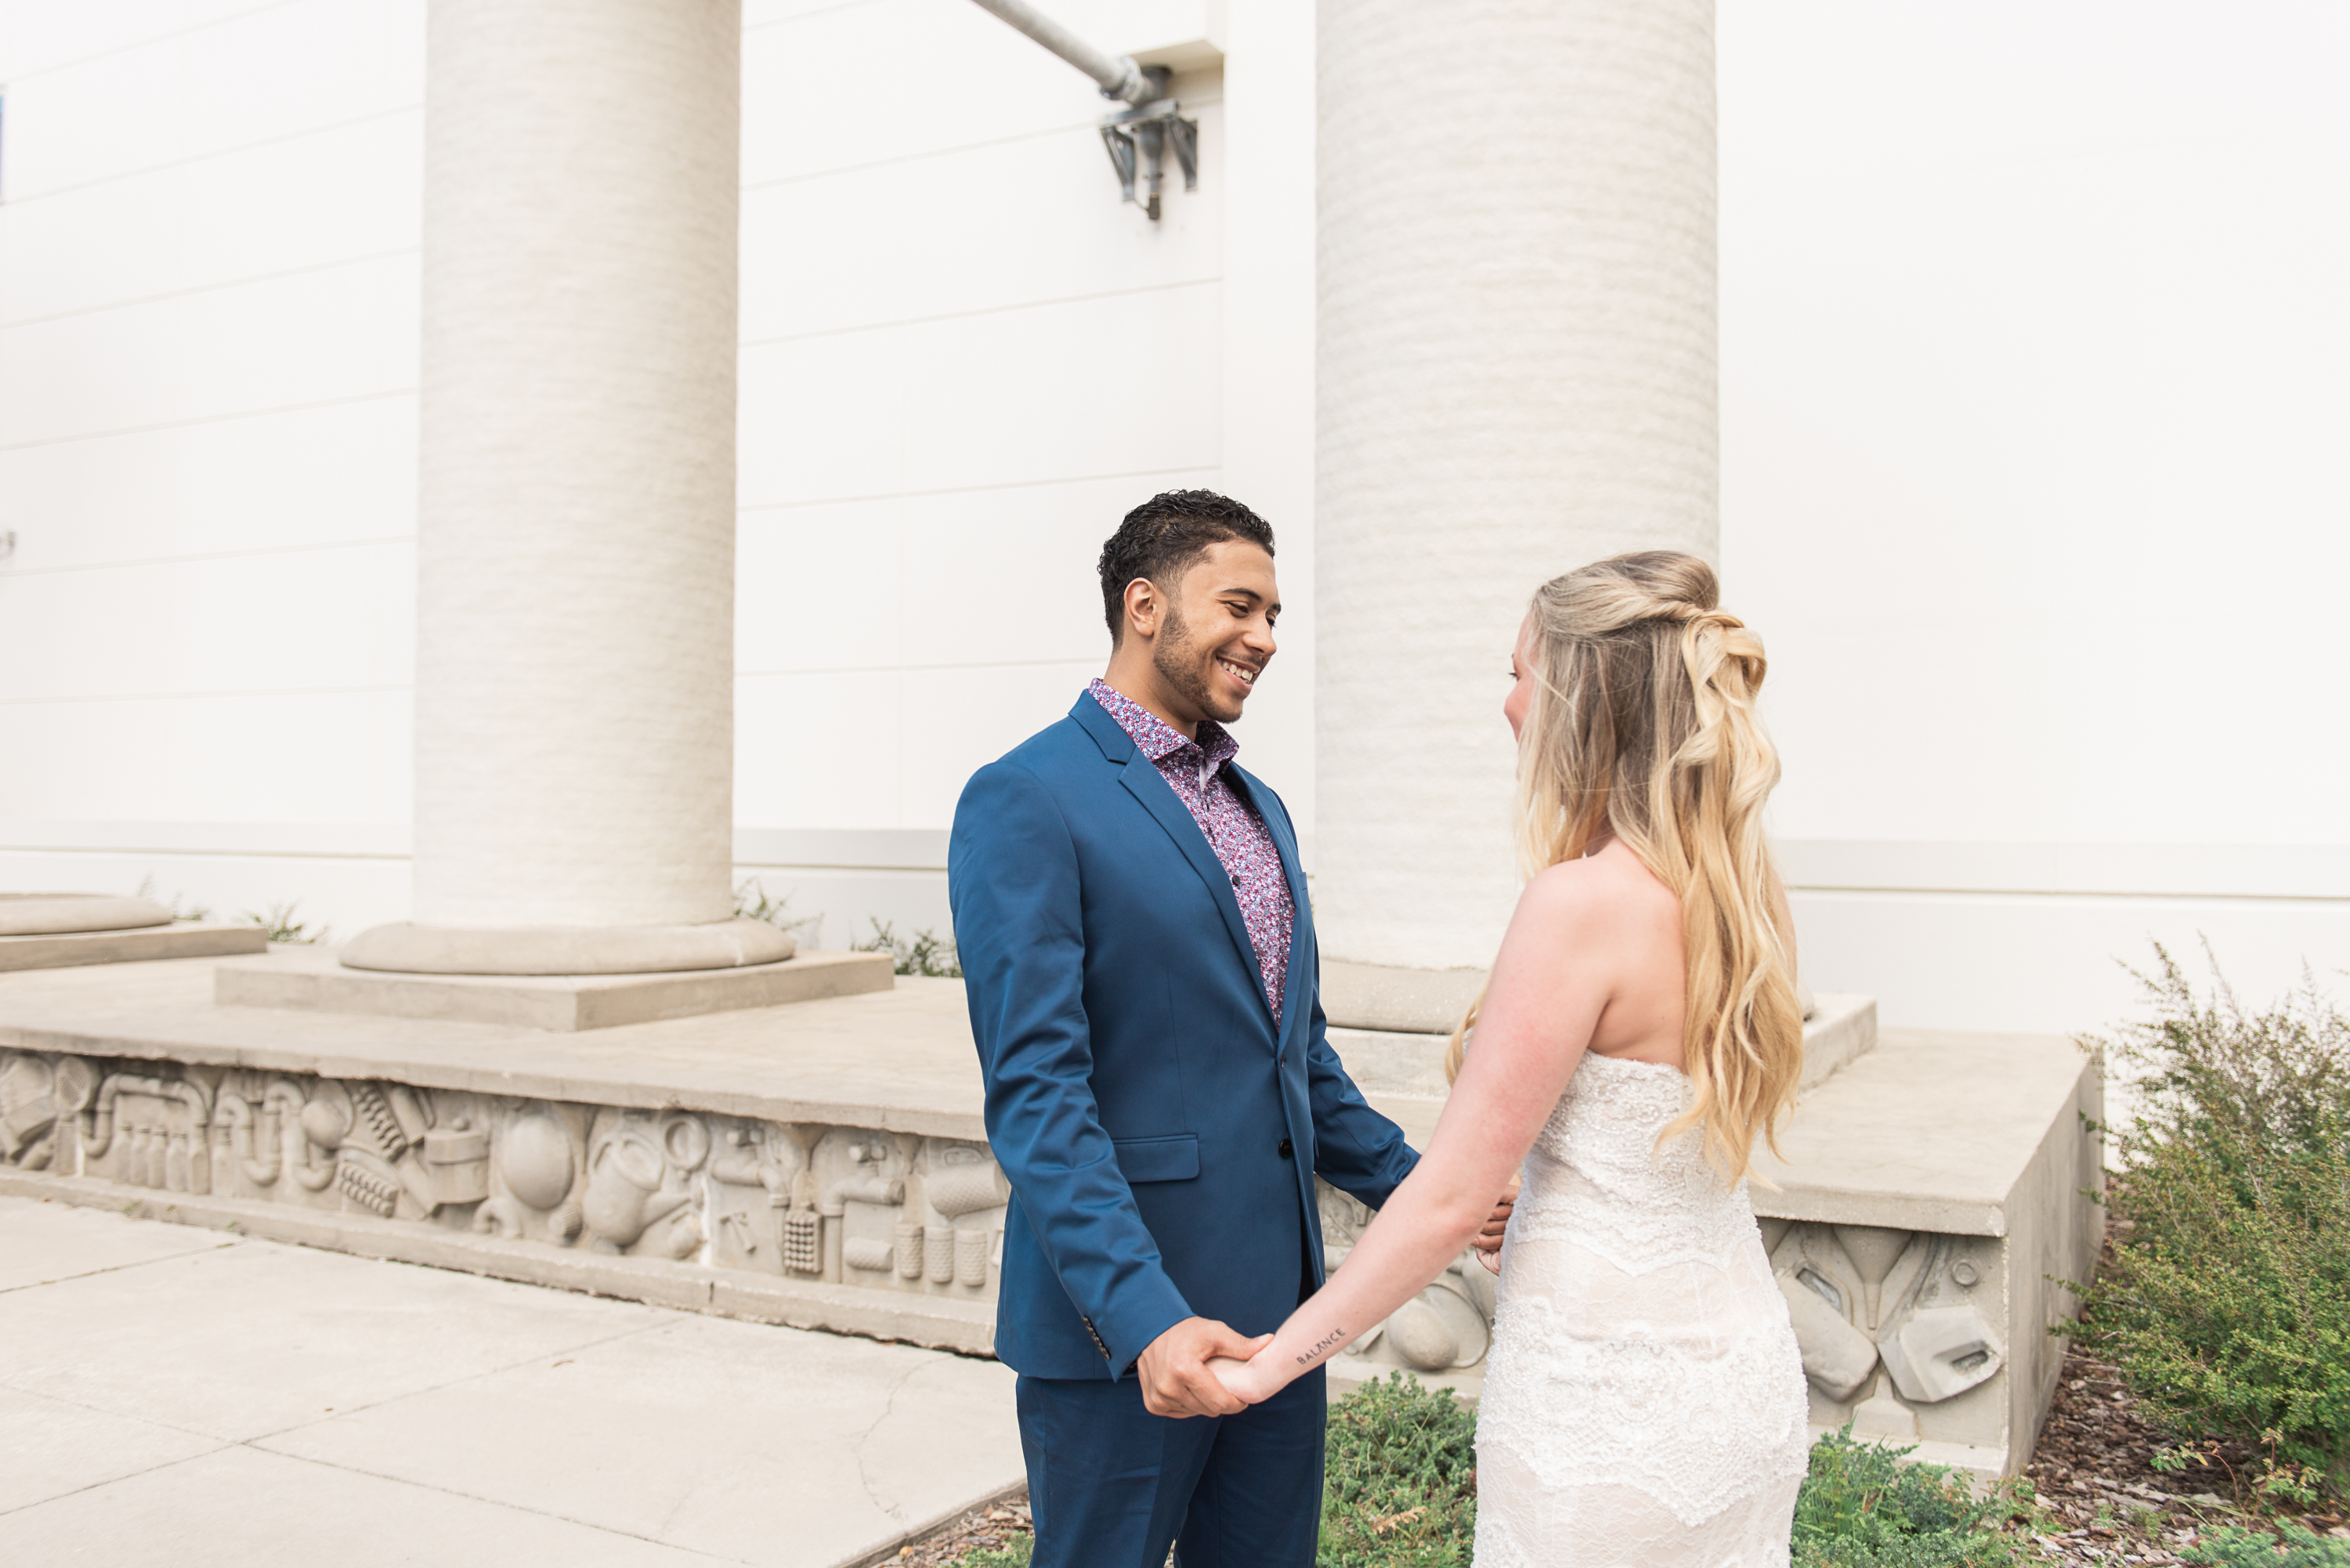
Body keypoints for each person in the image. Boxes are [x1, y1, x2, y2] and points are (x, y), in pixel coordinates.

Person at [1211, 550, 1813, 1566]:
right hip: (1741, 1379)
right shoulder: (1742, 898)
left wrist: (1272, 1365)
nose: (1506, 703)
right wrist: (1537, 1193)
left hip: (1605, 1402)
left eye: (1520, 672)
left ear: (1582, 699)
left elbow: (1447, 1199)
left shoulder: (1579, 905)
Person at [949, 490, 1515, 1568]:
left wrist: (1433, 1190)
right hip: (1125, 1331)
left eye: (1276, 615)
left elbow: (1293, 1059)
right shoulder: (1026, 798)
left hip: (1281, 1322)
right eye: (1241, 606)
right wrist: (1143, 1314)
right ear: (1145, 605)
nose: (1263, 638)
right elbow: (1039, 1095)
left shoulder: (1259, 806)